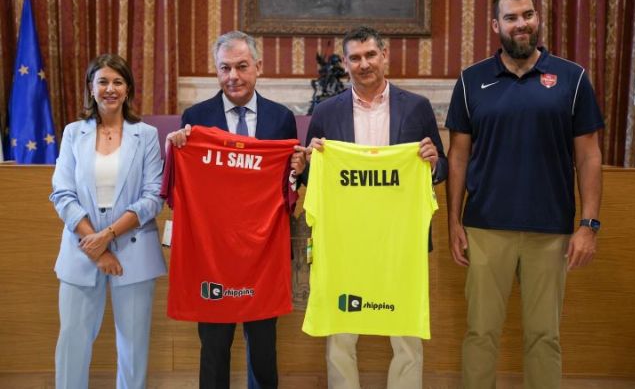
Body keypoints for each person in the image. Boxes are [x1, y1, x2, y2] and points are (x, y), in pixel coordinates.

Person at [446, 0, 604, 389]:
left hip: (550, 231)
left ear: (538, 18)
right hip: (485, 228)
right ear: (496, 24)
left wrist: (588, 224)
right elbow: (458, 157)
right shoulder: (470, 81)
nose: (522, 24)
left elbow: (588, 156)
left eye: (528, 15)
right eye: (512, 17)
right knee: (480, 333)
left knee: (544, 336)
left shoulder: (572, 78)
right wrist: (453, 222)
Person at [304, 25, 447, 389]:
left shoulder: (416, 107)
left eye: (370, 55)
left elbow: (440, 168)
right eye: (355, 57)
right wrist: (308, 162)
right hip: (345, 242)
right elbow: (310, 175)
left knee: (406, 331)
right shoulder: (325, 112)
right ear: (346, 63)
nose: (364, 63)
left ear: (384, 56)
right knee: (341, 330)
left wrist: (432, 162)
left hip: (401, 241)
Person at [166, 30, 305, 389]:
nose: (234, 77)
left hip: (263, 254)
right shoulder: (195, 118)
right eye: (225, 68)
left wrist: (298, 171)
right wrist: (176, 148)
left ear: (258, 67)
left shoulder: (280, 118)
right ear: (216, 71)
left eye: (242, 66)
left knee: (263, 349)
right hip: (213, 256)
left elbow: (289, 187)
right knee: (213, 349)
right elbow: (180, 185)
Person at [50, 54, 166, 389]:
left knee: (133, 347)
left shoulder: (145, 135)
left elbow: (152, 196)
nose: (110, 89)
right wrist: (96, 246)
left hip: (134, 248)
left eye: (117, 82)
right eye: (103, 81)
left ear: (128, 89)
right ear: (91, 88)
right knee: (72, 343)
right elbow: (62, 194)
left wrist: (109, 235)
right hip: (81, 249)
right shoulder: (74, 133)